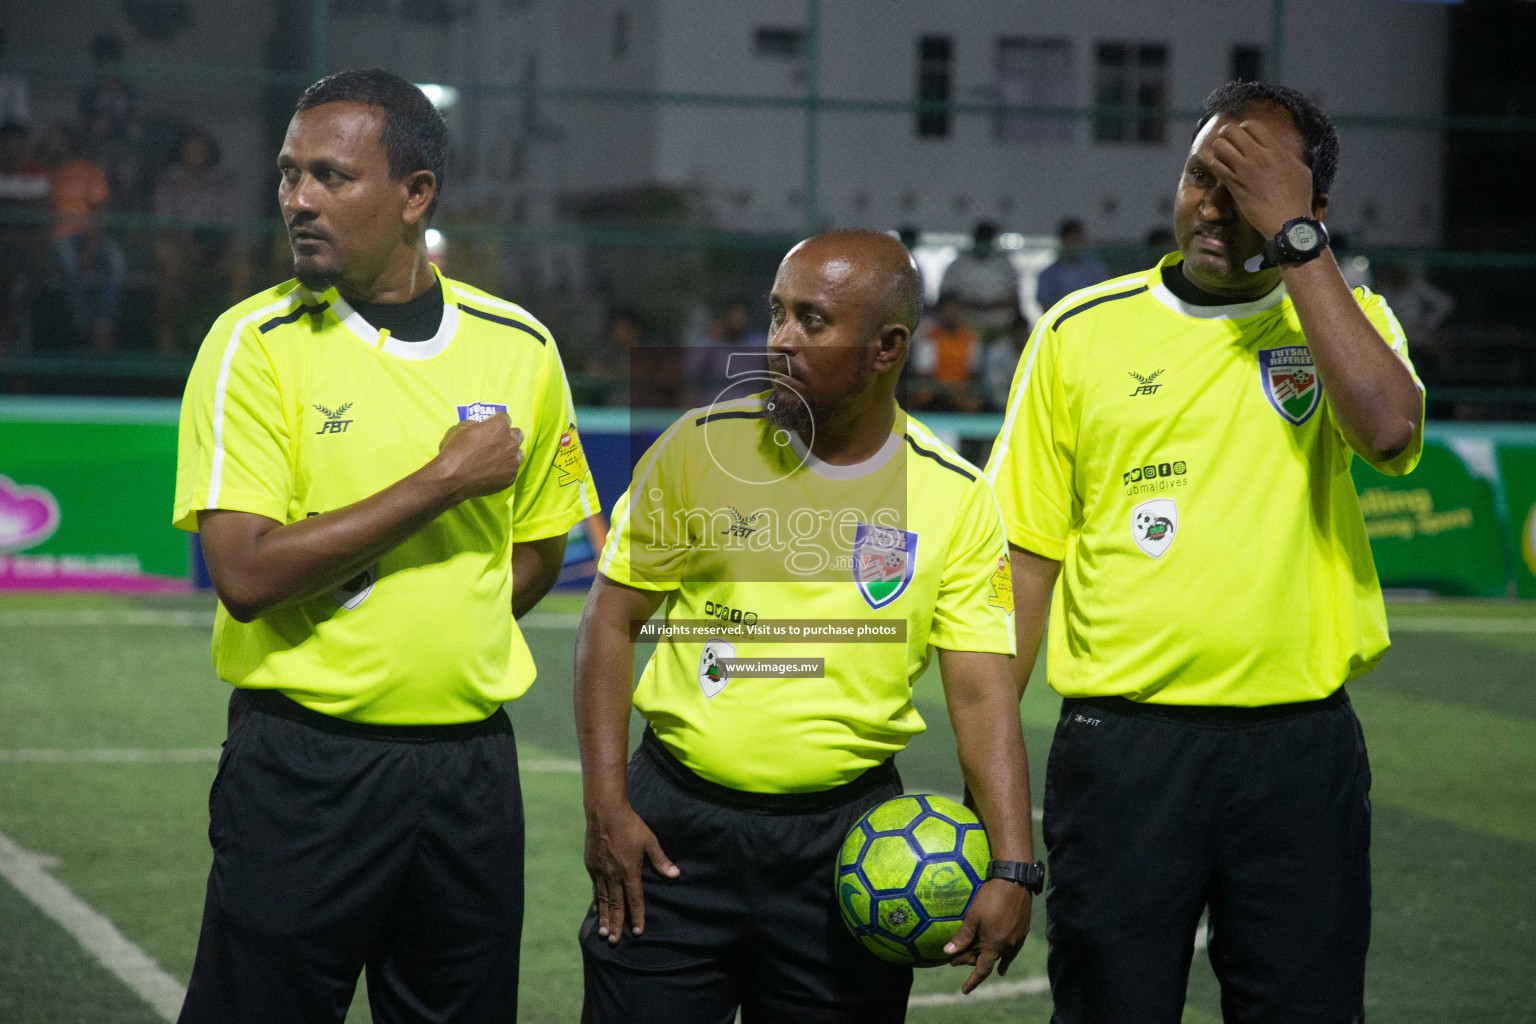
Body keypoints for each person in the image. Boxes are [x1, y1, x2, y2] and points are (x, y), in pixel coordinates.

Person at [986, 80, 1424, 1024]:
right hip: (1123, 754)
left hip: (1301, 753)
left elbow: (1388, 430)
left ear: (1313, 211)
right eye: (1202, 175)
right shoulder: (1077, 335)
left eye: (1249, 184)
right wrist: (1006, 832)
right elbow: (1018, 576)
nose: (1216, 206)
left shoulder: (1350, 324)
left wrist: (1295, 240)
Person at [172, 68, 598, 1024]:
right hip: (303, 770)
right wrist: (441, 482)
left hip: (469, 776)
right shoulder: (254, 344)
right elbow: (242, 574)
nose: (298, 200)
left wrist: (438, 625)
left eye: (331, 176)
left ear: (416, 196)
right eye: (288, 176)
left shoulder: (521, 346)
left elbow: (538, 548)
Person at [577, 229, 1040, 1023]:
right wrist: (606, 806)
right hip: (674, 832)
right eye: (777, 314)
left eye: (813, 321)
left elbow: (980, 696)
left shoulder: (955, 496)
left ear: (886, 347)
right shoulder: (699, 448)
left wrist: (1014, 865)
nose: (780, 340)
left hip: (846, 851)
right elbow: (610, 623)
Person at [152, 128, 251, 353]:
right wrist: (188, 247)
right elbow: (164, 223)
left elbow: (229, 225)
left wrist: (214, 246)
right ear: (181, 151)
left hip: (216, 249)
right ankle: (165, 335)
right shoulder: (169, 181)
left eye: (200, 149)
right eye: (190, 148)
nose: (195, 153)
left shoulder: (221, 182)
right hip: (180, 248)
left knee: (242, 265)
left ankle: (232, 336)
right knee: (168, 260)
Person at [38, 122, 123, 350]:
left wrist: (90, 249)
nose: (54, 145)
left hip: (89, 235)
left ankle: (104, 322)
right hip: (58, 239)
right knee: (66, 258)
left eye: (58, 139)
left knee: (114, 258)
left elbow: (100, 212)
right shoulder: (41, 172)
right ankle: (81, 320)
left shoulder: (87, 170)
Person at [0, 120, 49, 356]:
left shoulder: (35, 170)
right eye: (9, 144)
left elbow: (39, 209)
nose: (15, 150)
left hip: (28, 251)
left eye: (20, 145)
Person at [939, 220, 1020, 341]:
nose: (984, 243)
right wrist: (973, 304)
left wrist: (991, 305)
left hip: (1000, 325)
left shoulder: (1005, 265)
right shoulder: (958, 265)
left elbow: (1015, 298)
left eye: (987, 239)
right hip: (966, 324)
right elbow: (945, 299)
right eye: (981, 239)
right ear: (975, 239)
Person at [910, 292, 982, 411]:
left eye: (956, 309)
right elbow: (924, 376)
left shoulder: (971, 339)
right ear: (940, 311)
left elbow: (974, 374)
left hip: (962, 400)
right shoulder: (929, 339)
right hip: (933, 399)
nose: (952, 313)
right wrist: (950, 393)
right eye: (948, 309)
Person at [1033, 218, 1110, 312]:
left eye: (1079, 239)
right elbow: (1045, 306)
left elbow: (1105, 298)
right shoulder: (1048, 274)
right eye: (1072, 239)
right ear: (1063, 240)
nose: (1075, 243)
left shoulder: (1095, 268)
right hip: (1062, 323)